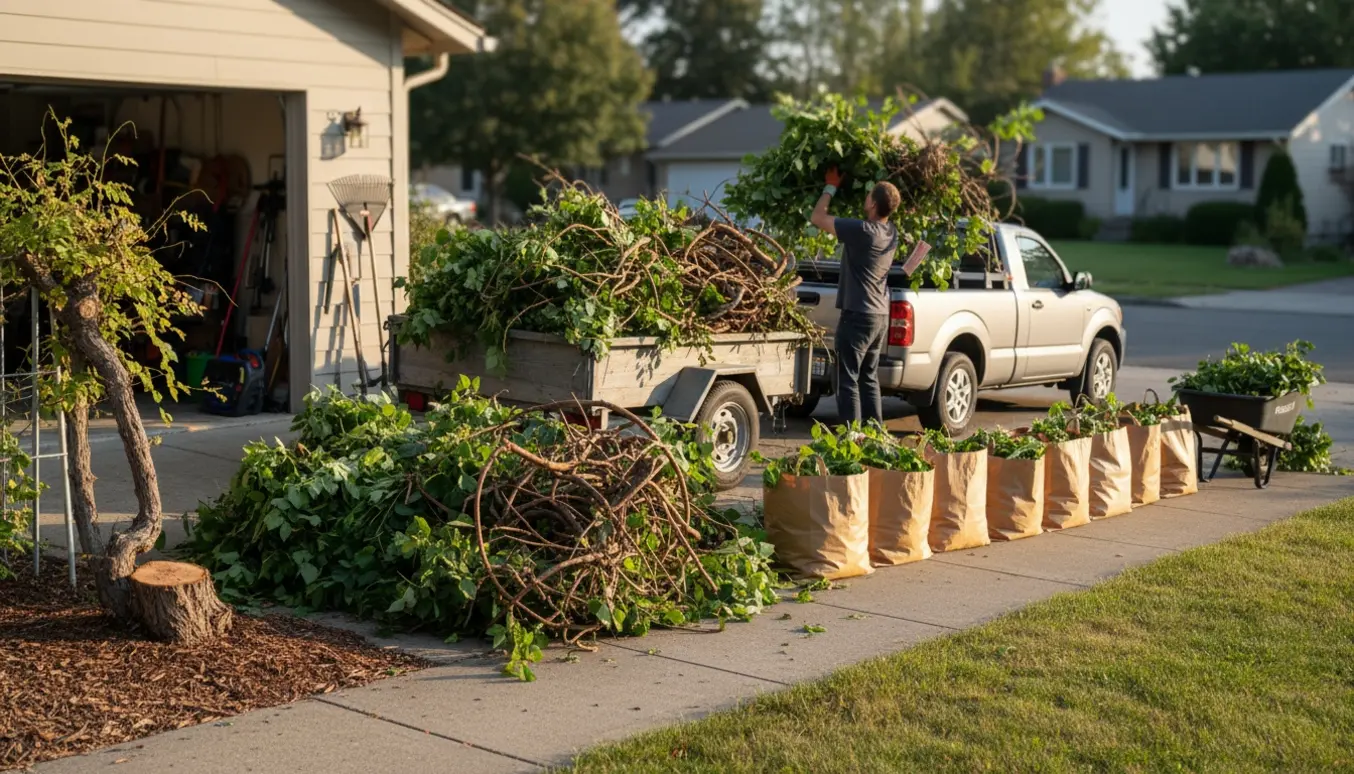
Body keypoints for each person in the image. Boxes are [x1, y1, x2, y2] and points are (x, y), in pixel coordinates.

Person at [809, 167, 902, 426]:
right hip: (880, 316)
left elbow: (817, 217)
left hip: (858, 315)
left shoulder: (863, 231)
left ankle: (853, 437)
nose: (865, 197)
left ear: (872, 203)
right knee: (868, 376)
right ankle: (874, 435)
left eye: (869, 195)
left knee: (847, 378)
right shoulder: (891, 232)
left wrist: (831, 186)